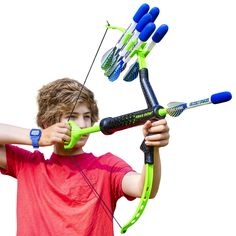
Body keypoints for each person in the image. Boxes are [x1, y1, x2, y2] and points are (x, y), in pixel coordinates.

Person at [0, 77, 170, 236]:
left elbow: (145, 188)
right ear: (47, 123)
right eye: (72, 117)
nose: (82, 124)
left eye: (87, 117)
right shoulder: (28, 165)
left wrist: (153, 145)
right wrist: (38, 136)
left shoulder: (106, 165)